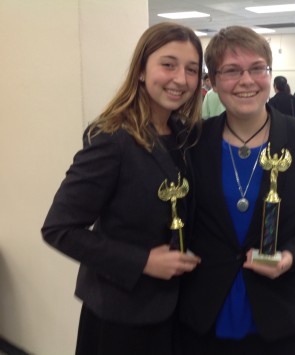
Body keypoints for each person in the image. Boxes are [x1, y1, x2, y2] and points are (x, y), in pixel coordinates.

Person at [41, 22, 202, 355]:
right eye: (168, 64)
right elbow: (59, 228)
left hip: (177, 309)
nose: (181, 79)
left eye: (192, 69)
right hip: (122, 316)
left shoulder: (184, 135)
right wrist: (142, 261)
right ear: (141, 70)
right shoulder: (113, 138)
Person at [179, 25, 295, 355]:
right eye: (231, 71)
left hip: (280, 312)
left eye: (257, 68)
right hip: (203, 312)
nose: (246, 81)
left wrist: (292, 256)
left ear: (269, 73)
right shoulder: (192, 141)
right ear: (213, 80)